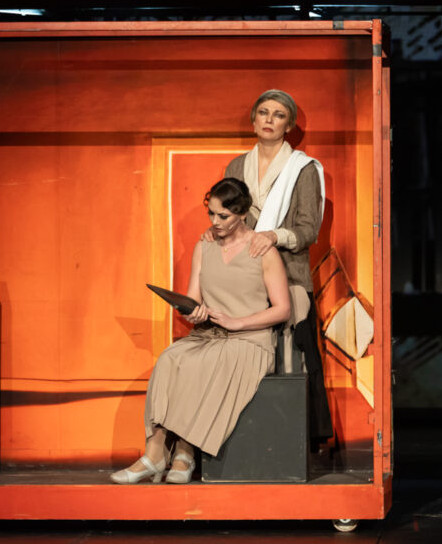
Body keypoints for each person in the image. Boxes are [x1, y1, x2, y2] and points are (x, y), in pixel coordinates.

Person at [111, 178, 290, 484]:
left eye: (223, 216)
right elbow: (193, 297)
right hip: (210, 335)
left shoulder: (263, 251)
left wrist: (237, 322)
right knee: (170, 358)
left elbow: (282, 309)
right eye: (211, 214)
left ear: (242, 214)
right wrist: (192, 311)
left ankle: (184, 453)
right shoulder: (204, 246)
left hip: (250, 341)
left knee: (203, 363)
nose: (215, 222)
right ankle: (155, 453)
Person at [212, 89, 333, 446]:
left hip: (289, 273)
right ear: (253, 120)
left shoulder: (303, 169)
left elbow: (308, 230)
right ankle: (246, 442)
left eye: (278, 115)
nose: (269, 119)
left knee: (293, 358)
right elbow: (227, 216)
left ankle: (296, 443)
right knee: (244, 359)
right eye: (263, 112)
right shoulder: (237, 167)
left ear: (289, 125)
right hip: (245, 277)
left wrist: (273, 235)